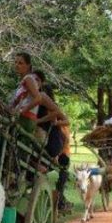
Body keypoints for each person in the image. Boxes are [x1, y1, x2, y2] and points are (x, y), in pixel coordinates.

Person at [32, 70, 73, 212]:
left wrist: (51, 123)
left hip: (54, 144)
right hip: (49, 142)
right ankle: (59, 199)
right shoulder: (32, 100)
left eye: (37, 81)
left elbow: (65, 122)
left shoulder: (48, 104)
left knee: (59, 169)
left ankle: (59, 199)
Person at [11, 52, 42, 134]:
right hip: (23, 119)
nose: (17, 65)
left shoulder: (28, 78)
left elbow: (38, 98)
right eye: (15, 62)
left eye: (20, 63)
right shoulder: (24, 81)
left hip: (26, 119)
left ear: (28, 65)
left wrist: (22, 110)